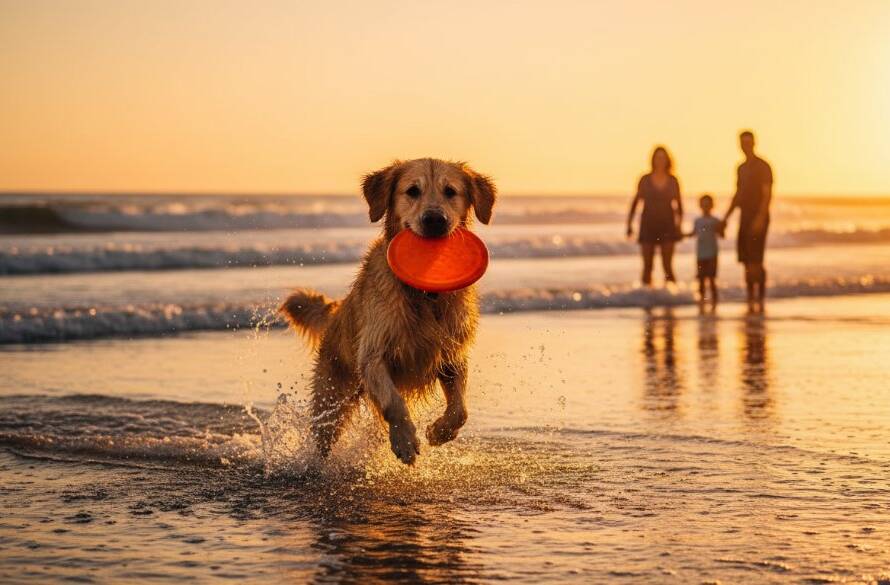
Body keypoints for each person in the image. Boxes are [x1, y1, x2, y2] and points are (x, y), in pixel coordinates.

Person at [721, 130, 773, 313]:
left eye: (748, 142)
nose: (746, 146)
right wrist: (726, 218)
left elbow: (767, 194)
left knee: (756, 260)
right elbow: (738, 195)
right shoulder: (741, 168)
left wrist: (761, 217)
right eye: (743, 143)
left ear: (754, 143)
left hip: (759, 216)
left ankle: (760, 299)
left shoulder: (763, 166)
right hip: (744, 216)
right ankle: (750, 297)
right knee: (745, 260)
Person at [626, 146, 683, 286]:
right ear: (653, 160)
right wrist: (629, 224)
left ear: (667, 160)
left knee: (667, 266)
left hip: (667, 225)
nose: (660, 160)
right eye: (657, 157)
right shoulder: (645, 179)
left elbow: (679, 206)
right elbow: (636, 202)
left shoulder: (673, 180)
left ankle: (672, 299)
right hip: (648, 225)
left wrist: (678, 226)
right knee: (647, 267)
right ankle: (647, 300)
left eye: (663, 157)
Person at [684, 194, 723, 309]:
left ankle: (714, 302)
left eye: (708, 204)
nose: (706, 207)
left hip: (712, 254)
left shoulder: (715, 221)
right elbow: (693, 233)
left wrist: (722, 226)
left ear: (712, 206)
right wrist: (680, 234)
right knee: (701, 279)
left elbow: (722, 234)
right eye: (703, 204)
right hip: (700, 254)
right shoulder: (697, 221)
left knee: (711, 279)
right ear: (700, 206)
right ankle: (702, 301)